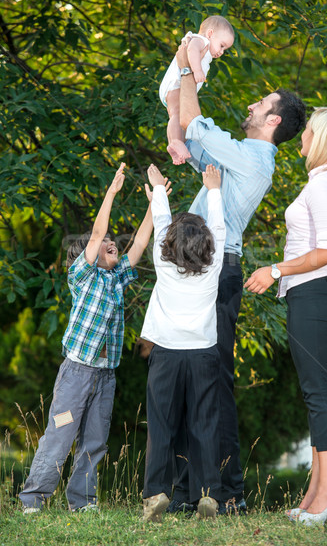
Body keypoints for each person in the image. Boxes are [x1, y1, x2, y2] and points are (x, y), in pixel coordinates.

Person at [166, 42, 307, 515]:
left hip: (219, 270)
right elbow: (190, 127)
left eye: (260, 103)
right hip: (197, 267)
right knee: (189, 373)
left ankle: (228, 492)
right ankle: (189, 492)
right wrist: (188, 71)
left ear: (272, 121)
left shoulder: (253, 160)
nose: (251, 104)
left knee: (215, 379)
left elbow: (194, 123)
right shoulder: (239, 153)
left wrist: (189, 63)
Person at [19, 163, 155, 514]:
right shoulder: (83, 277)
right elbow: (96, 234)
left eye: (112, 242)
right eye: (106, 242)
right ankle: (33, 500)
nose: (112, 242)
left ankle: (83, 502)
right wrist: (111, 192)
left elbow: (140, 241)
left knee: (94, 441)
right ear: (86, 257)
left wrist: (157, 204)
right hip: (76, 375)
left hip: (105, 377)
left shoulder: (117, 279)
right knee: (60, 435)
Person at [245, 107, 327, 526]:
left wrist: (275, 269)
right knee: (315, 393)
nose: (302, 137)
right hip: (307, 295)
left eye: (307, 131)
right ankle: (315, 493)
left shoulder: (325, 184)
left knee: (319, 393)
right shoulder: (321, 182)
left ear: (321, 138)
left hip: (314, 292)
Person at [141, 163, 226, 522]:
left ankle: (156, 495)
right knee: (203, 423)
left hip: (167, 355)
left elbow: (161, 221)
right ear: (206, 243)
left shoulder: (163, 264)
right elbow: (220, 228)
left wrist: (158, 188)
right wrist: (214, 189)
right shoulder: (215, 262)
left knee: (161, 424)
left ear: (169, 244)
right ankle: (208, 495)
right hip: (204, 353)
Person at [159, 15, 234, 165]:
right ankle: (175, 141)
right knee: (176, 113)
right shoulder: (201, 41)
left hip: (175, 87)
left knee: (176, 115)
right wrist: (197, 70)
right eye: (222, 45)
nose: (222, 52)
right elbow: (192, 50)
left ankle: (175, 144)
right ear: (210, 34)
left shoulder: (206, 46)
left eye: (225, 49)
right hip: (175, 85)